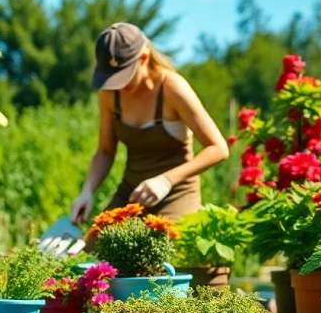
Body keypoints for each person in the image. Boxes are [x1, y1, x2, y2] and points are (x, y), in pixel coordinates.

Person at [70, 22, 229, 225]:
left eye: (123, 77)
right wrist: (87, 191)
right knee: (95, 251)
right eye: (111, 79)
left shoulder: (172, 88)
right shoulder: (109, 94)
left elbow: (218, 148)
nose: (117, 86)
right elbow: (105, 151)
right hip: (132, 193)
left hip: (176, 192)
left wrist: (166, 180)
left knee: (166, 253)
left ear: (143, 58)